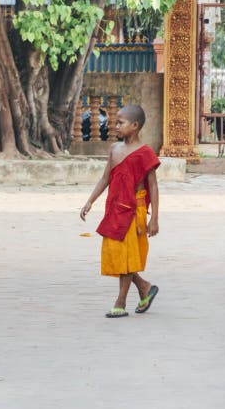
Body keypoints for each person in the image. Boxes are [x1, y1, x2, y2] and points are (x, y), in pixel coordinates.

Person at [80, 105, 160, 318]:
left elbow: (153, 186)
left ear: (134, 126)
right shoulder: (115, 149)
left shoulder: (145, 153)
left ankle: (120, 302)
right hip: (115, 208)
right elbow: (106, 178)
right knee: (117, 254)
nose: (115, 126)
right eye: (116, 122)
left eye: (120, 123)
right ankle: (144, 288)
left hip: (135, 209)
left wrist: (155, 220)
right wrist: (90, 201)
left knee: (126, 255)